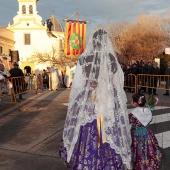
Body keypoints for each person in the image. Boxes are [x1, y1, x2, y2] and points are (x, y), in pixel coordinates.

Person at [59, 27, 132, 169]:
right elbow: (118, 82)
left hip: (89, 100)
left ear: (93, 41)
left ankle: (85, 162)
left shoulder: (84, 59)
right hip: (107, 100)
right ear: (105, 42)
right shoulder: (111, 59)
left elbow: (78, 84)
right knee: (109, 127)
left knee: (85, 129)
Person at [129, 93, 162, 169]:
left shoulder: (133, 113)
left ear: (135, 103)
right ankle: (149, 162)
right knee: (149, 147)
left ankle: (138, 163)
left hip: (136, 135)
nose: (131, 102)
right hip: (147, 133)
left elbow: (130, 122)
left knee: (137, 148)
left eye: (132, 100)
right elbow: (150, 120)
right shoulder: (148, 110)